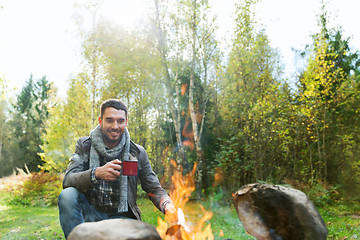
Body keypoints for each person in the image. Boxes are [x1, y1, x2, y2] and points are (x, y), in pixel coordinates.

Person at [58, 99, 175, 239]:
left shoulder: (137, 152)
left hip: (123, 218)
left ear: (126, 122)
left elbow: (154, 188)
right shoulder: (85, 146)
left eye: (120, 121)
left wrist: (167, 205)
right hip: (91, 213)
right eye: (109, 120)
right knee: (67, 195)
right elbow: (68, 180)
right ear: (101, 121)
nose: (115, 126)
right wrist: (96, 173)